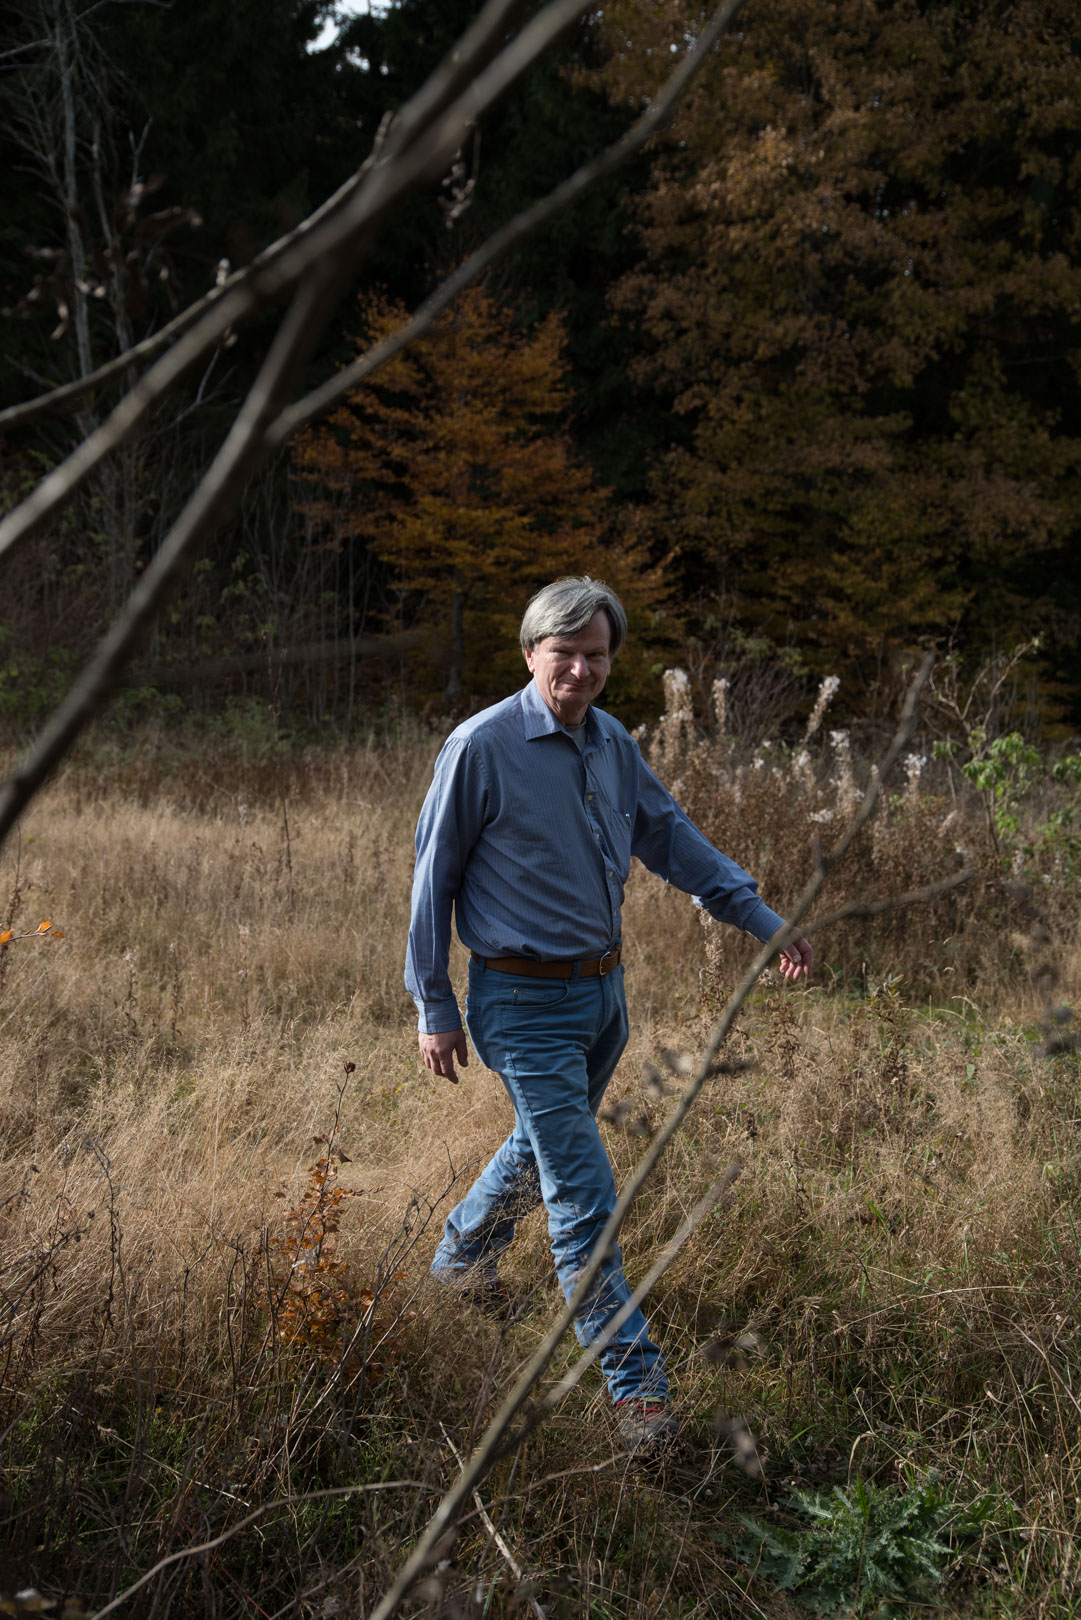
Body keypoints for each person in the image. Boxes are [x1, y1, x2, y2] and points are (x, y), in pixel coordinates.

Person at [405, 577, 812, 1455]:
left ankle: (458, 1264)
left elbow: (670, 838)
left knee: (545, 1147)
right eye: (566, 653)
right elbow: (429, 881)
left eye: (597, 656)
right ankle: (639, 1398)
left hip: (601, 999)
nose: (581, 671)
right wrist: (434, 1005)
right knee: (583, 1197)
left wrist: (762, 920)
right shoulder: (480, 746)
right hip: (517, 1003)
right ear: (530, 653)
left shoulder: (612, 744)